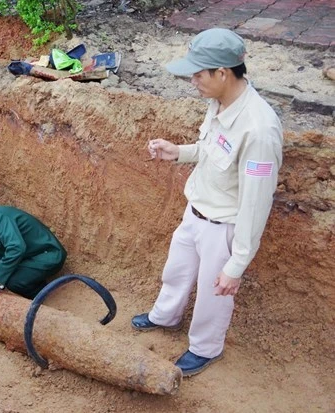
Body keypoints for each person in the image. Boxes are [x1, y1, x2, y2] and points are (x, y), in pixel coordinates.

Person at [131, 28, 283, 376]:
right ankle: (165, 317)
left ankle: (205, 348)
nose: (192, 80)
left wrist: (237, 264)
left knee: (215, 295)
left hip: (224, 227)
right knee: (177, 271)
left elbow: (256, 204)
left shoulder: (258, 130)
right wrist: (179, 152)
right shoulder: (219, 102)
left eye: (198, 74)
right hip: (196, 210)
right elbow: (212, 151)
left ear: (222, 73)